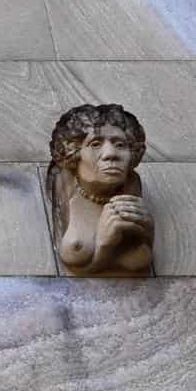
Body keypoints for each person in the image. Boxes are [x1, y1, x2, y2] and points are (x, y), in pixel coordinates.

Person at [47, 104, 152, 276]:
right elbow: (77, 268)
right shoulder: (65, 181)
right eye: (95, 144)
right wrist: (104, 245)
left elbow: (139, 259)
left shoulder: (130, 183)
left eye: (120, 144)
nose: (111, 154)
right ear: (74, 153)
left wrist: (148, 231)